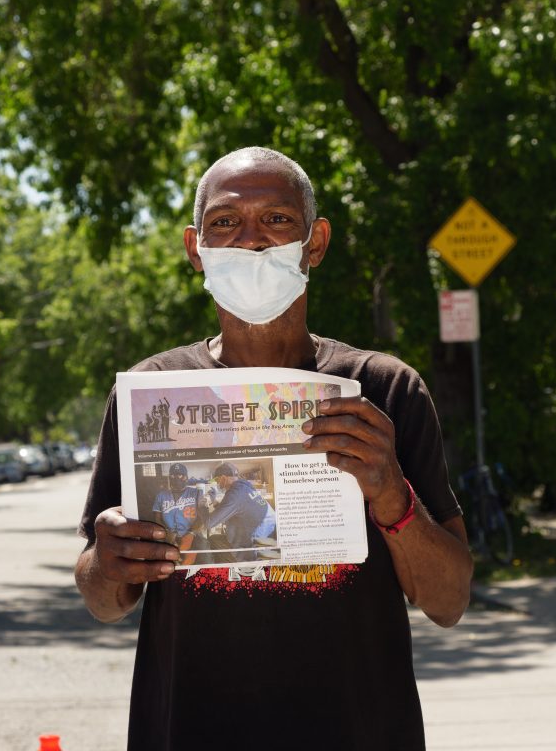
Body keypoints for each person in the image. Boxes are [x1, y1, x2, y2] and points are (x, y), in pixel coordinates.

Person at [75, 146, 473, 751]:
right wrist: (108, 562)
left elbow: (449, 601)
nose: (252, 243)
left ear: (314, 243)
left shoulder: (385, 389)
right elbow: (104, 599)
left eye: (277, 220)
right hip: (189, 729)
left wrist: (393, 494)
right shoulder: (150, 393)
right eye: (226, 223)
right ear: (195, 249)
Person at [197, 462, 277, 551]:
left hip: (258, 540)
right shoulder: (245, 486)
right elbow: (231, 510)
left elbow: (209, 523)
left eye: (217, 480)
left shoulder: (234, 494)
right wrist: (214, 501)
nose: (217, 483)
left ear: (223, 478)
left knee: (213, 540)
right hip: (269, 531)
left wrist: (201, 506)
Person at [150, 463, 202, 560]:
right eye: (173, 475)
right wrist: (166, 532)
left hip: (192, 534)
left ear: (186, 477)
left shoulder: (196, 493)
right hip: (169, 536)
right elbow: (157, 519)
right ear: (169, 477)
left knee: (204, 555)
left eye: (180, 475)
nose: (176, 478)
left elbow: (202, 519)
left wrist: (191, 533)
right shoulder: (161, 496)